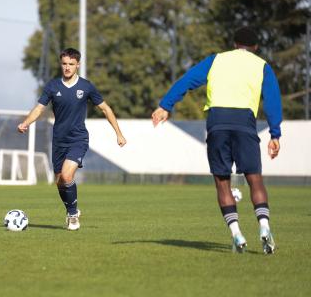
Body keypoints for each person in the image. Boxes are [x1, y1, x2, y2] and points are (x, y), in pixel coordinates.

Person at [152, 27, 282, 254]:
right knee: (255, 180)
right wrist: (275, 133)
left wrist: (165, 105)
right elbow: (272, 100)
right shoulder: (262, 66)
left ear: (234, 44)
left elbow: (187, 80)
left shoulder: (216, 60)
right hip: (244, 122)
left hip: (217, 122)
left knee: (222, 182)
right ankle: (264, 227)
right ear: (256, 47)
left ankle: (236, 234)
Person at [18, 48, 126, 230]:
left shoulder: (86, 87)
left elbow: (106, 109)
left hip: (78, 139)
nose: (67, 67)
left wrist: (119, 133)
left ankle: (73, 215)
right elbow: (39, 109)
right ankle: (71, 210)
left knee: (68, 175)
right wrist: (26, 123)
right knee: (60, 182)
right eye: (64, 64)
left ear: (78, 65)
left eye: (71, 64)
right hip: (59, 141)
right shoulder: (53, 86)